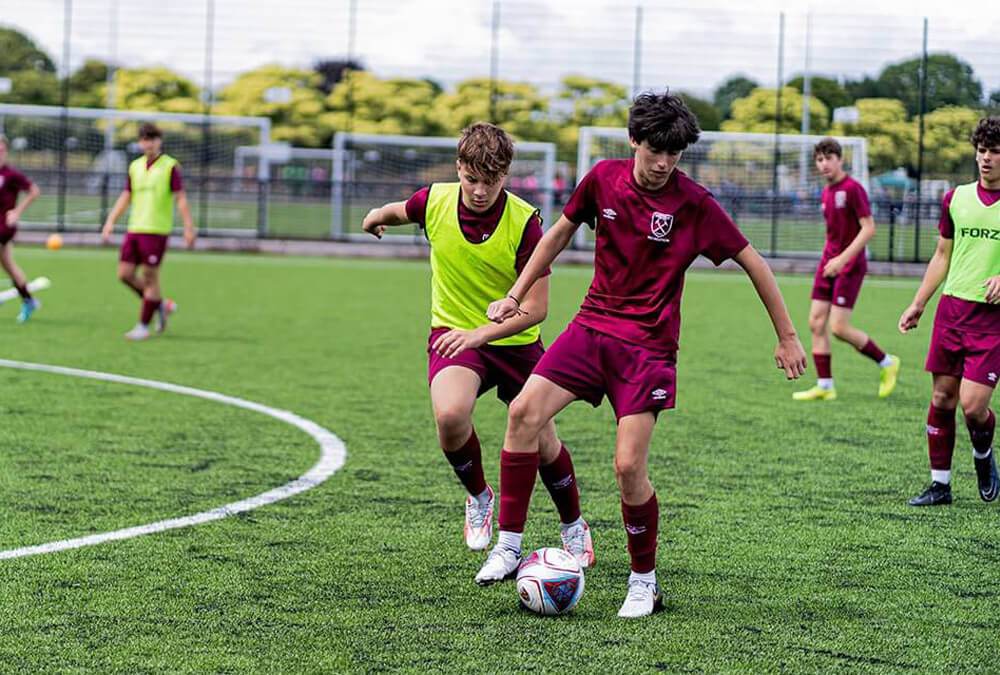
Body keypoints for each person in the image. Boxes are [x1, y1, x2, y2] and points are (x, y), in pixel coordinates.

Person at [475, 91, 807, 618]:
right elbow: (558, 234)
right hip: (591, 329)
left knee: (628, 466)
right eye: (655, 151)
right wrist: (515, 294)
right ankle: (509, 546)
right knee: (522, 413)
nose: (662, 164)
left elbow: (755, 262)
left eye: (673, 155)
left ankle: (644, 581)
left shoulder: (694, 204)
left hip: (648, 349)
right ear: (634, 140)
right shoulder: (602, 179)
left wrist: (788, 335)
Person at [360, 122, 594, 566]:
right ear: (458, 168)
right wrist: (375, 216)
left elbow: (537, 309)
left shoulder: (524, 222)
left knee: (543, 442)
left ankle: (573, 526)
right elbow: (399, 210)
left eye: (492, 181)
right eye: (471, 179)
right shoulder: (434, 201)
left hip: (517, 342)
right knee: (449, 416)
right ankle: (479, 496)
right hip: (453, 334)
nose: (480, 191)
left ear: (507, 175)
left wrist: (482, 333)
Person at [899, 116, 1000, 507]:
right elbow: (942, 255)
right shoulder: (955, 198)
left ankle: (982, 455)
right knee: (943, 398)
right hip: (952, 311)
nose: (986, 159)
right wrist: (918, 302)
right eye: (982, 151)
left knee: (974, 407)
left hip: (991, 320)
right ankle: (940, 485)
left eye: (994, 151)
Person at [793, 137, 900, 402]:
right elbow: (834, 234)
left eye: (829, 158)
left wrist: (842, 260)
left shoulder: (853, 189)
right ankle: (825, 385)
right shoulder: (826, 192)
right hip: (828, 262)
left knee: (838, 328)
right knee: (816, 322)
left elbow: (869, 228)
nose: (824, 164)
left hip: (849, 265)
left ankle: (887, 362)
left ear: (840, 160)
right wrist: (830, 258)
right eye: (819, 159)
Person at [101, 123, 195, 340]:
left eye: (152, 139)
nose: (148, 143)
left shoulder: (170, 166)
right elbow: (126, 196)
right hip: (135, 228)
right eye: (144, 139)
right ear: (139, 142)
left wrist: (188, 227)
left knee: (151, 278)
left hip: (156, 230)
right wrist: (110, 221)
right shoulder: (135, 166)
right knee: (124, 274)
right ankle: (160, 305)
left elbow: (180, 198)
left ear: (159, 141)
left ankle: (143, 326)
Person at [0, 134, 42, 323]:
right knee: (8, 265)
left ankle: (28, 300)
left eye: (1, 151)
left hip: (4, 226)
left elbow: (34, 191)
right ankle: (28, 299)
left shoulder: (11, 175)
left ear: (6, 152)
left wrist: (17, 211)